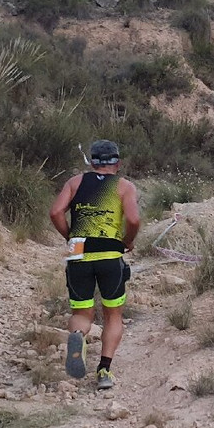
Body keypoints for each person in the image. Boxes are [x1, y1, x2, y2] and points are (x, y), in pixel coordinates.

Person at [49, 139, 140, 390]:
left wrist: (69, 236)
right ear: (117, 163)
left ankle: (78, 337)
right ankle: (104, 371)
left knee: (82, 313)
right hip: (110, 255)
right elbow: (133, 218)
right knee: (113, 315)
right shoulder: (124, 186)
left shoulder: (75, 182)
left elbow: (55, 212)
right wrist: (128, 241)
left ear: (91, 162)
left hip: (78, 253)